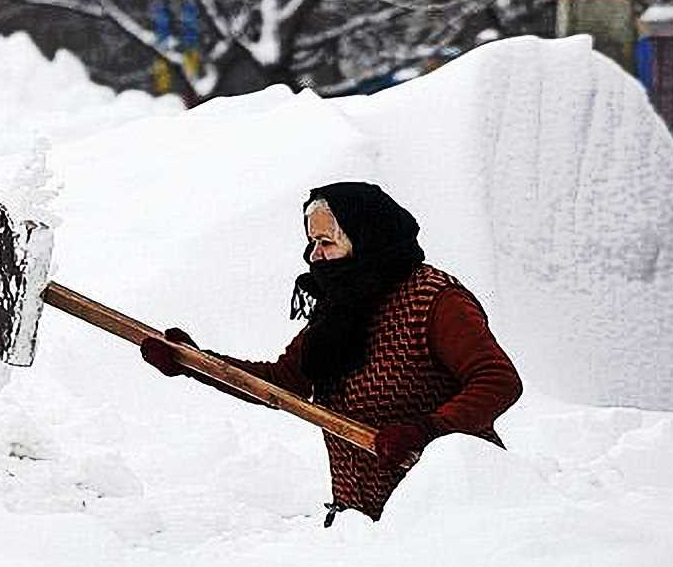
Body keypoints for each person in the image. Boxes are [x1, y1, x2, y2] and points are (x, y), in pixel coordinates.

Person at [141, 181, 522, 525]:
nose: (314, 256)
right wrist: (194, 362)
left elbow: (498, 381)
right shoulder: (340, 309)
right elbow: (283, 382)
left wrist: (426, 431)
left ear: (364, 237)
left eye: (326, 242)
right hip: (367, 523)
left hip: (461, 513)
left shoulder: (435, 299)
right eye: (311, 243)